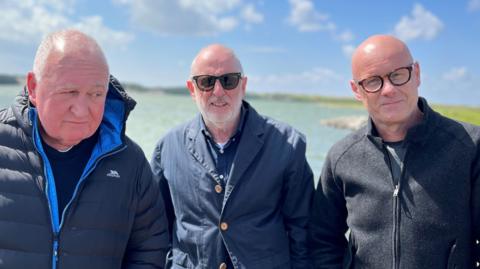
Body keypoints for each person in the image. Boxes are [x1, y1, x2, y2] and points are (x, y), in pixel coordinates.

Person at [0, 29, 169, 268]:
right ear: (33, 87)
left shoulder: (130, 162)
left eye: (96, 94)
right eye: (69, 92)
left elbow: (150, 247)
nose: (81, 109)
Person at [308, 34, 480, 268]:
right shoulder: (341, 157)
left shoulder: (469, 146)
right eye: (372, 81)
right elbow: (322, 241)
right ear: (357, 90)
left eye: (398, 75)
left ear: (416, 74)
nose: (388, 89)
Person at [151, 44, 314, 268]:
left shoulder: (287, 145)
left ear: (243, 85)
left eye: (228, 80)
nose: (218, 91)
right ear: (192, 89)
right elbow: (155, 229)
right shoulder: (167, 148)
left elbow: (302, 231)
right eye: (207, 81)